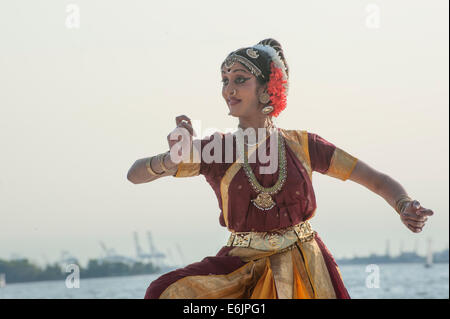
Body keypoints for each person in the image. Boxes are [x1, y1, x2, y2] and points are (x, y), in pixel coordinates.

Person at [127, 38, 434, 299]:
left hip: (307, 269)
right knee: (163, 291)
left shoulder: (304, 145)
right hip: (243, 269)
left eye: (239, 79)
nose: (228, 89)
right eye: (225, 80)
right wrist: (169, 161)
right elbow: (135, 174)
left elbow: (376, 180)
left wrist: (404, 204)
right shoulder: (217, 149)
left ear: (267, 88)